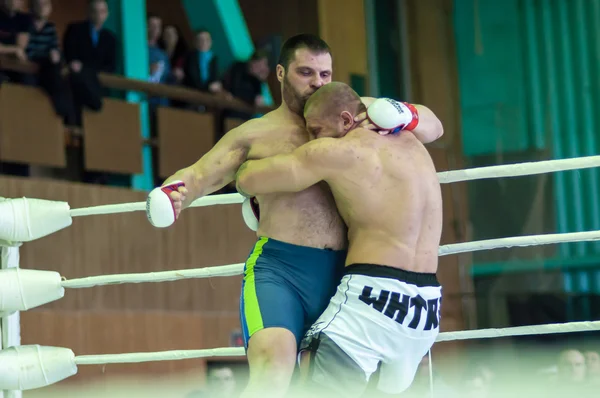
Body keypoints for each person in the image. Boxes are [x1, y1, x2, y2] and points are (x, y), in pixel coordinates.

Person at [154, 35, 442, 398]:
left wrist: (404, 113)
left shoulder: (362, 112)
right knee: (273, 375)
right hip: (283, 270)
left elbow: (432, 126)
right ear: (280, 72)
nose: (317, 82)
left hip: (350, 275)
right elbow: (199, 174)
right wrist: (172, 193)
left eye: (325, 73)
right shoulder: (256, 134)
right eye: (306, 72)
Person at [235, 82, 444, 397]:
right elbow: (436, 125)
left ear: (346, 120)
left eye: (316, 129)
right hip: (426, 311)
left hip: (371, 302)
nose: (312, 138)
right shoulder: (412, 138)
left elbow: (249, 177)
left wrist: (253, 186)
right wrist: (404, 112)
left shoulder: (338, 151)